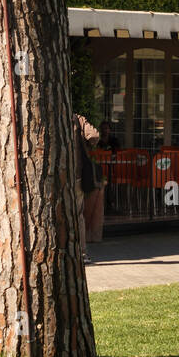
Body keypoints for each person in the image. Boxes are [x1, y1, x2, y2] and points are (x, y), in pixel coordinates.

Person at [74, 113, 102, 264]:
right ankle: (82, 253)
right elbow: (94, 136)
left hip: (55, 176)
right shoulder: (76, 118)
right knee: (78, 214)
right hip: (76, 174)